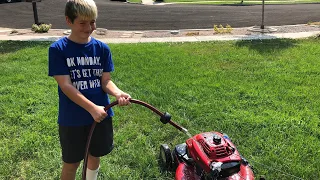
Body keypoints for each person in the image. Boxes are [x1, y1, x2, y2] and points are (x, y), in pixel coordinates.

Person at [48, 0, 131, 179]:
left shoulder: (102, 49)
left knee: (94, 156)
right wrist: (92, 108)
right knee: (71, 163)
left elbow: (106, 81)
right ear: (68, 21)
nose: (89, 27)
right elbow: (65, 85)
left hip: (101, 115)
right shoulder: (58, 50)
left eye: (92, 21)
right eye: (82, 23)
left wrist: (117, 93)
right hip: (72, 118)